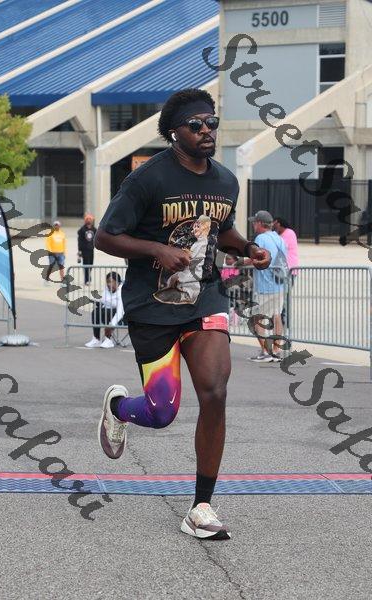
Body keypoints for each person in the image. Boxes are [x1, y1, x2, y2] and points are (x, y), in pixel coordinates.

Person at [94, 88, 270, 540]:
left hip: (205, 299)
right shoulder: (147, 179)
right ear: (175, 132)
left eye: (212, 123)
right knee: (161, 412)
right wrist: (157, 250)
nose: (207, 130)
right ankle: (118, 407)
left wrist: (248, 247)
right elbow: (106, 237)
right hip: (151, 306)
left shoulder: (225, 181)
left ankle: (201, 507)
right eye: (196, 125)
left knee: (215, 391)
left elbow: (222, 228)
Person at [248, 210, 288, 363]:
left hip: (265, 285)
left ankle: (266, 352)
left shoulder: (261, 238)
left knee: (256, 319)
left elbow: (255, 257)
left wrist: (239, 262)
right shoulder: (279, 238)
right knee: (276, 316)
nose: (253, 225)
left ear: (260, 223)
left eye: (254, 222)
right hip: (279, 284)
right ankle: (276, 351)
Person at [85, 272, 124, 348]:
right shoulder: (106, 289)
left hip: (120, 317)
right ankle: (96, 339)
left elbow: (120, 311)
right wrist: (96, 303)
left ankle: (108, 340)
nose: (109, 284)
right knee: (96, 311)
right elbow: (104, 302)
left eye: (111, 282)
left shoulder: (122, 292)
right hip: (107, 314)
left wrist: (111, 324)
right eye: (108, 282)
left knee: (108, 312)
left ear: (118, 282)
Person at [273, 217, 299, 326]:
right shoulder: (280, 235)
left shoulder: (289, 233)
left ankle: (285, 320)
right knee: (281, 296)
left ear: (279, 224)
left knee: (284, 297)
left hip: (288, 271)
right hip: (283, 270)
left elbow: (279, 246)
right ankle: (281, 319)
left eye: (274, 223)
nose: (273, 226)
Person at [78, 214, 97, 285]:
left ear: (92, 221)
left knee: (91, 264)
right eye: (87, 219)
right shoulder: (82, 229)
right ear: (85, 221)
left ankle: (88, 276)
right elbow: (79, 240)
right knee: (86, 264)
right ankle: (87, 280)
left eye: (90, 219)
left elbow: (97, 237)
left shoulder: (94, 229)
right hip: (84, 250)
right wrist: (79, 251)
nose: (89, 220)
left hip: (91, 249)